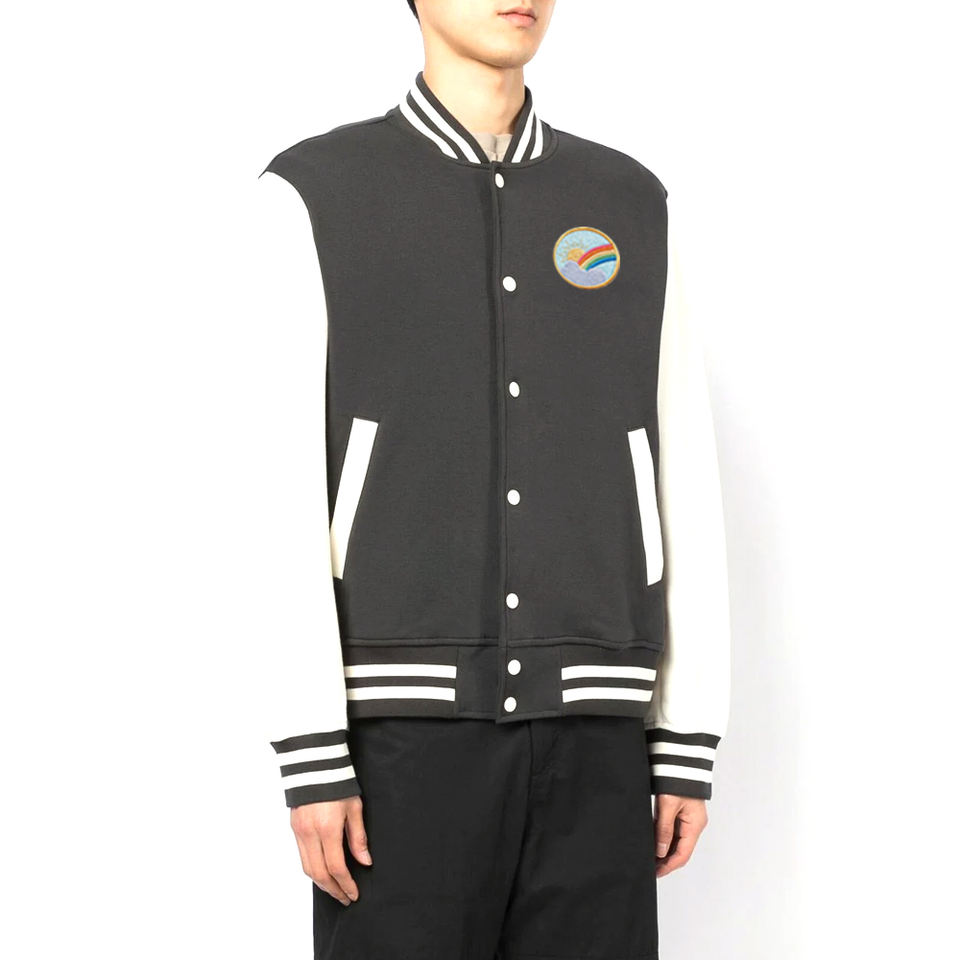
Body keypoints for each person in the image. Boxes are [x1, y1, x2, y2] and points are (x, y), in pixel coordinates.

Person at [255, 2, 731, 957]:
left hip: (598, 732)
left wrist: (687, 730)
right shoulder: (316, 192)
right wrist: (310, 746)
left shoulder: (629, 201)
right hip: (397, 741)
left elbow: (682, 461)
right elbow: (270, 488)